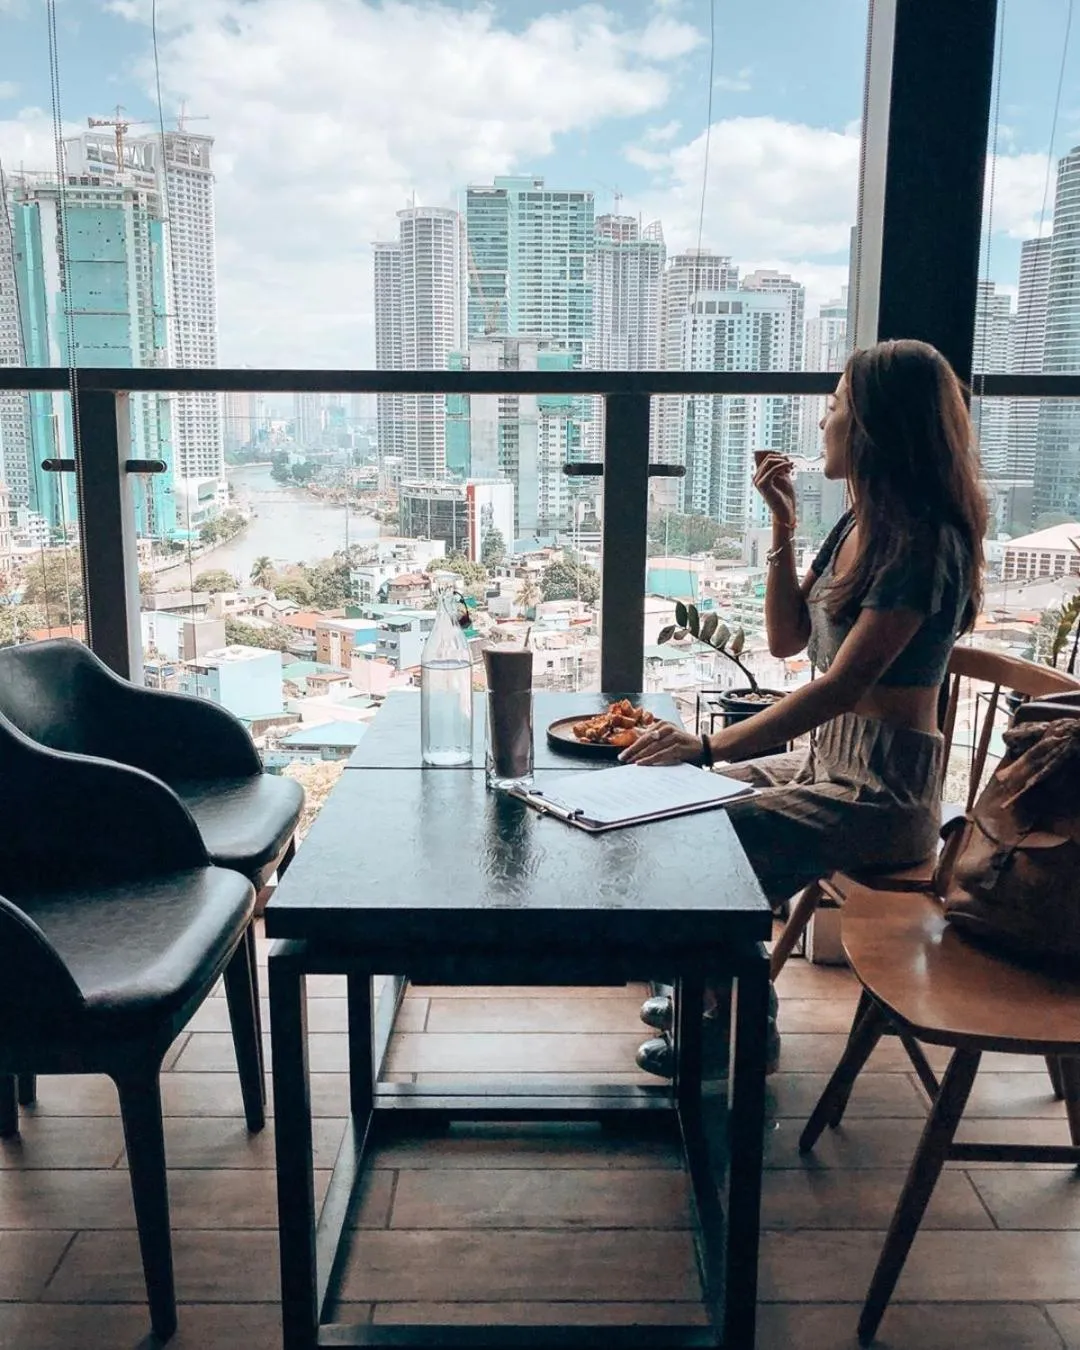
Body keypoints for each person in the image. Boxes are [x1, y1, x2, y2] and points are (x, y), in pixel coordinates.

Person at [620, 338, 987, 1078]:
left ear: (876, 426)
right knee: (677, 808)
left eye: (834, 408)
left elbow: (841, 687)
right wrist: (784, 526)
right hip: (827, 764)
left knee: (712, 835)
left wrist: (711, 747)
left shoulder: (923, 546)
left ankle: (742, 1024)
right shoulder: (860, 525)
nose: (823, 424)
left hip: (882, 793)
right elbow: (789, 641)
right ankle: (709, 981)